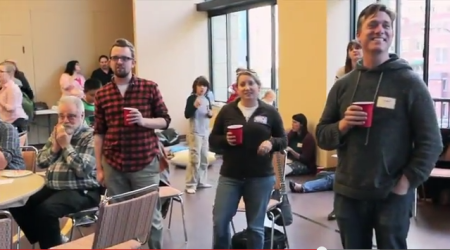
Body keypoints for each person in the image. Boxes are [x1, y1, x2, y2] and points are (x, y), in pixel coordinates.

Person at [316, 4, 443, 249]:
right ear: (358, 35)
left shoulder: (409, 82)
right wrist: (342, 125)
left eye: (386, 25)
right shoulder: (343, 85)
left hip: (391, 195)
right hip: (348, 194)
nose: (380, 30)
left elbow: (432, 142)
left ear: (392, 34)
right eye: (372, 24)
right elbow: (322, 136)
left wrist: (406, 182)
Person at [94, 38, 171, 249]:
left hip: (144, 163)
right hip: (113, 164)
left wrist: (143, 120)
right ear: (110, 62)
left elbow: (165, 120)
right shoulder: (102, 94)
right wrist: (99, 168)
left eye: (125, 58)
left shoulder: (149, 87)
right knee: (119, 217)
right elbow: (99, 133)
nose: (120, 62)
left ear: (133, 62)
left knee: (151, 216)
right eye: (115, 57)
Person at [9, 96, 101, 249]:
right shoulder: (57, 132)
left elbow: (82, 170)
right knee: (18, 201)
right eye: (61, 116)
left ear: (82, 116)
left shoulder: (91, 136)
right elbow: (41, 162)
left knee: (46, 211)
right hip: (54, 186)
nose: (65, 120)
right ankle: (49, 238)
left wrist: (66, 145)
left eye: (71, 116)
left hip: (82, 189)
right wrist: (55, 148)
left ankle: (51, 243)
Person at [210, 69, 286, 249]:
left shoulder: (269, 111)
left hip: (260, 177)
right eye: (242, 84)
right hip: (230, 176)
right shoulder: (227, 111)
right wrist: (225, 140)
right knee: (220, 222)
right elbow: (213, 140)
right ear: (236, 88)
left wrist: (271, 143)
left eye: (251, 83)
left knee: (255, 228)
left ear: (258, 86)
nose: (247, 87)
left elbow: (283, 140)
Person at [289, 41, 363, 221]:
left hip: (363, 128)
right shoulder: (342, 74)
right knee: (339, 172)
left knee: (341, 175)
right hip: (345, 127)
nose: (355, 51)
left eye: (358, 48)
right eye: (351, 49)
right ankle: (337, 207)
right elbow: (336, 101)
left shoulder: (371, 76)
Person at [184, 76, 213, 194]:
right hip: (195, 132)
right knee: (195, 159)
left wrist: (210, 114)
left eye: (204, 86)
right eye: (200, 85)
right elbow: (187, 114)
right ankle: (190, 184)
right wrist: (194, 106)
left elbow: (208, 113)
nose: (202, 88)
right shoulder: (191, 98)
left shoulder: (207, 99)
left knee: (204, 158)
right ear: (195, 86)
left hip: (205, 132)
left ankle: (201, 181)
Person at [0, 61, 29, 132]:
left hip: (16, 121)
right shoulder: (4, 87)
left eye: (1, 71)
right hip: (8, 122)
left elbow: (11, 108)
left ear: (9, 73)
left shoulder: (12, 88)